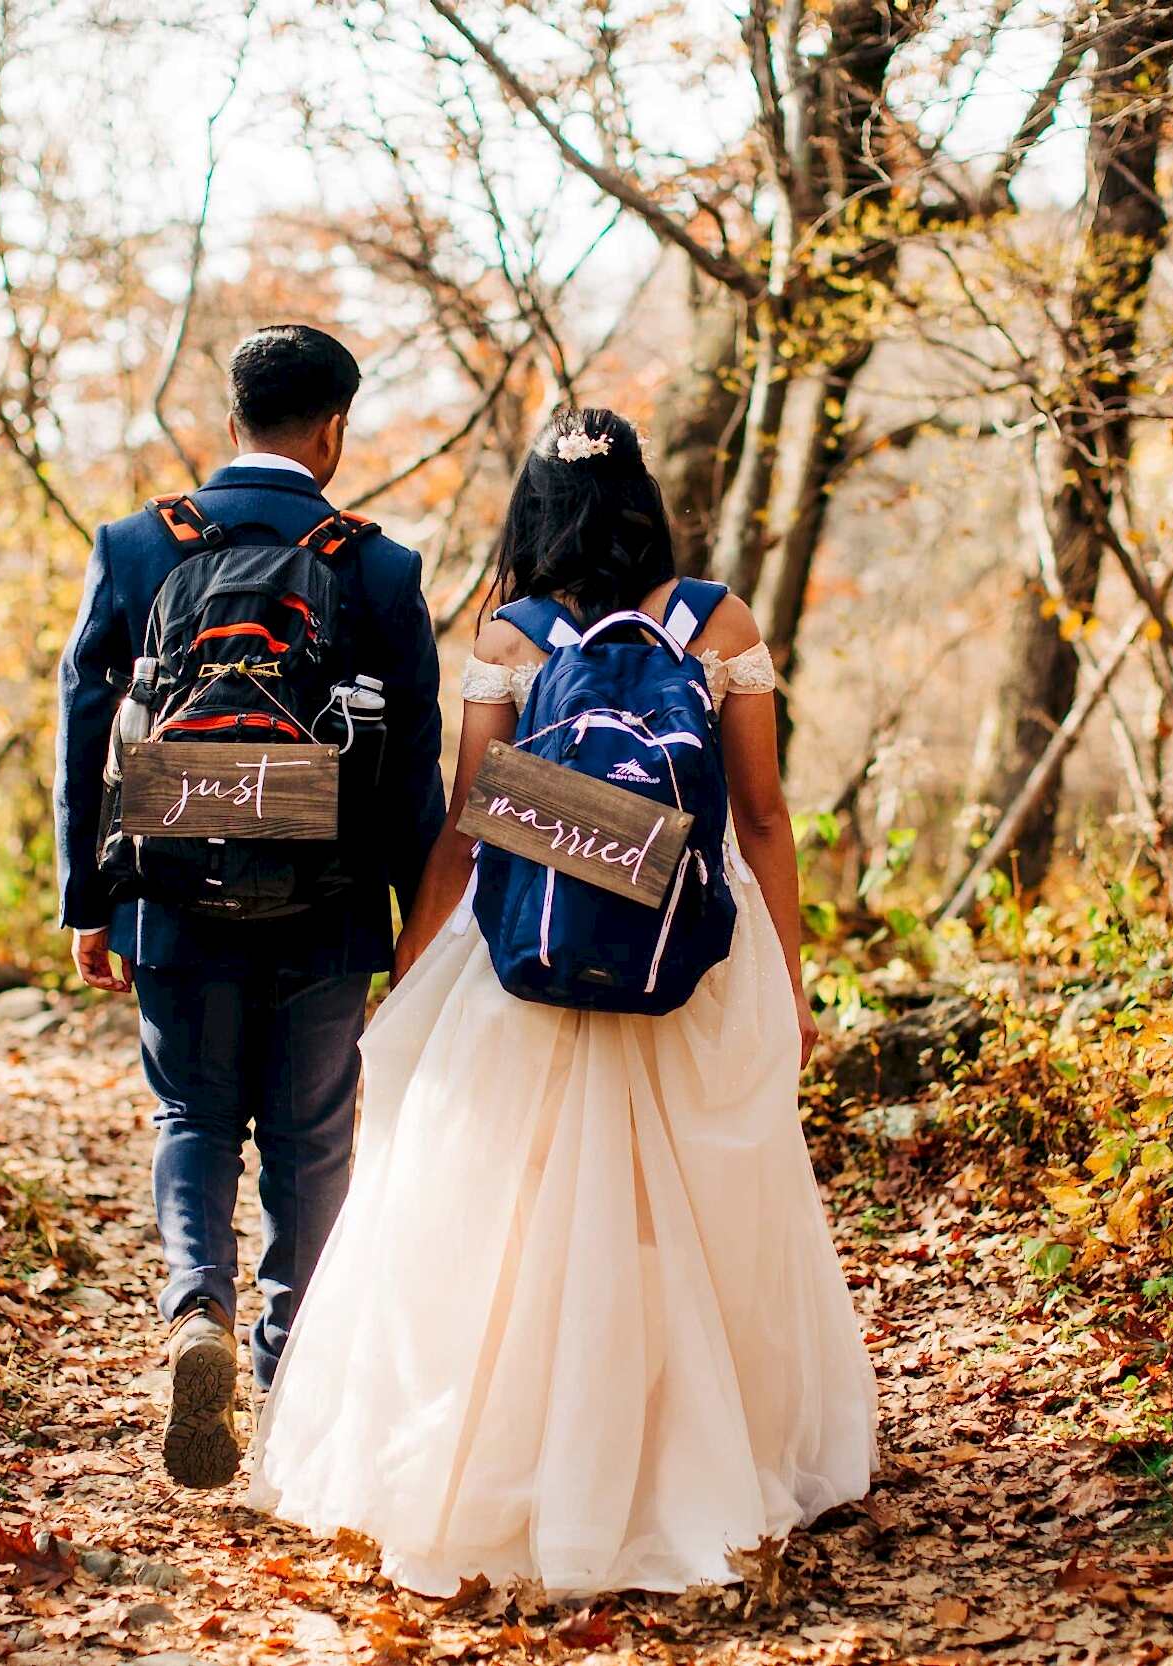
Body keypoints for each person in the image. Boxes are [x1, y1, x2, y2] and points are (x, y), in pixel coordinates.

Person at [247, 407, 876, 1594]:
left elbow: (468, 818)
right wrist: (789, 980)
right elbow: (762, 815)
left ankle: (534, 1454)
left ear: (534, 510)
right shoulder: (718, 620)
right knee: (691, 1200)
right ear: (647, 503)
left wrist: (409, 968)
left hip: (527, 944)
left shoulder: (515, 631)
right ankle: (675, 1450)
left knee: (520, 1207)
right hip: (692, 951)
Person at [54, 324, 445, 1489]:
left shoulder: (136, 545)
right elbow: (414, 763)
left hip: (171, 891)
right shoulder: (378, 566)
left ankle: (196, 1316)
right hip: (327, 907)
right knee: (313, 1136)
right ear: (332, 431)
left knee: (192, 1118)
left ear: (232, 417)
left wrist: (88, 897)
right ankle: (291, 1376)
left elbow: (84, 728)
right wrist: (409, 920)